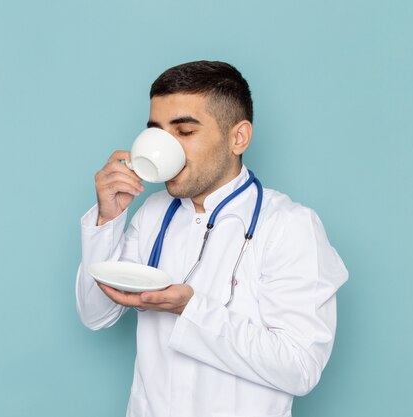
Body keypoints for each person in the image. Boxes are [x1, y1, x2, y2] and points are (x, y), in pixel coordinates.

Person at [76, 60, 348, 417]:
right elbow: (96, 315)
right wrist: (108, 218)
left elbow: (300, 367)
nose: (166, 148)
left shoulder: (288, 225)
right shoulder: (153, 212)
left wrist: (189, 308)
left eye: (185, 132)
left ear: (239, 138)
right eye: (157, 133)